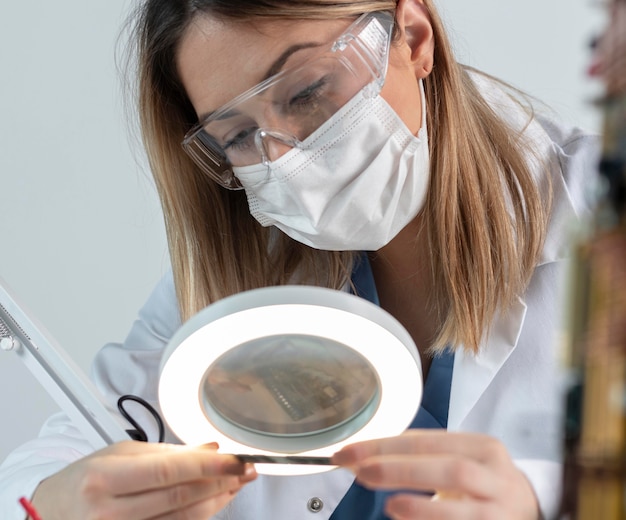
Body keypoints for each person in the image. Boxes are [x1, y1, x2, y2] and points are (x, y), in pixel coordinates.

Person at [0, 0, 598, 519]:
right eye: (236, 136)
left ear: (413, 37)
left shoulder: (600, 220)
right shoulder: (246, 273)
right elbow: (68, 448)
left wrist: (544, 501)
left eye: (309, 91)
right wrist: (55, 501)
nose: (284, 158)